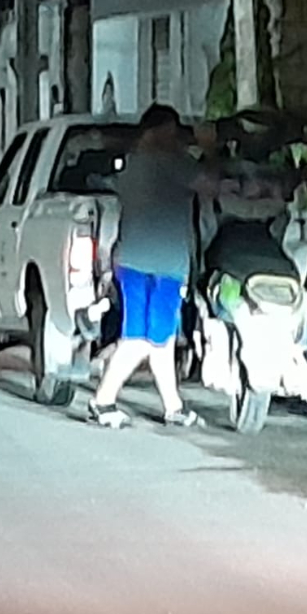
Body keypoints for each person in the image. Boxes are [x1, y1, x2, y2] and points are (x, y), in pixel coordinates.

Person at [88, 104, 210, 429]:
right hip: (165, 264)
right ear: (158, 131)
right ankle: (103, 399)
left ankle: (174, 406)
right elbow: (211, 185)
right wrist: (211, 149)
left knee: (161, 339)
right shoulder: (172, 163)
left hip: (131, 261)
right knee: (145, 340)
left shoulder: (132, 163)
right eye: (171, 131)